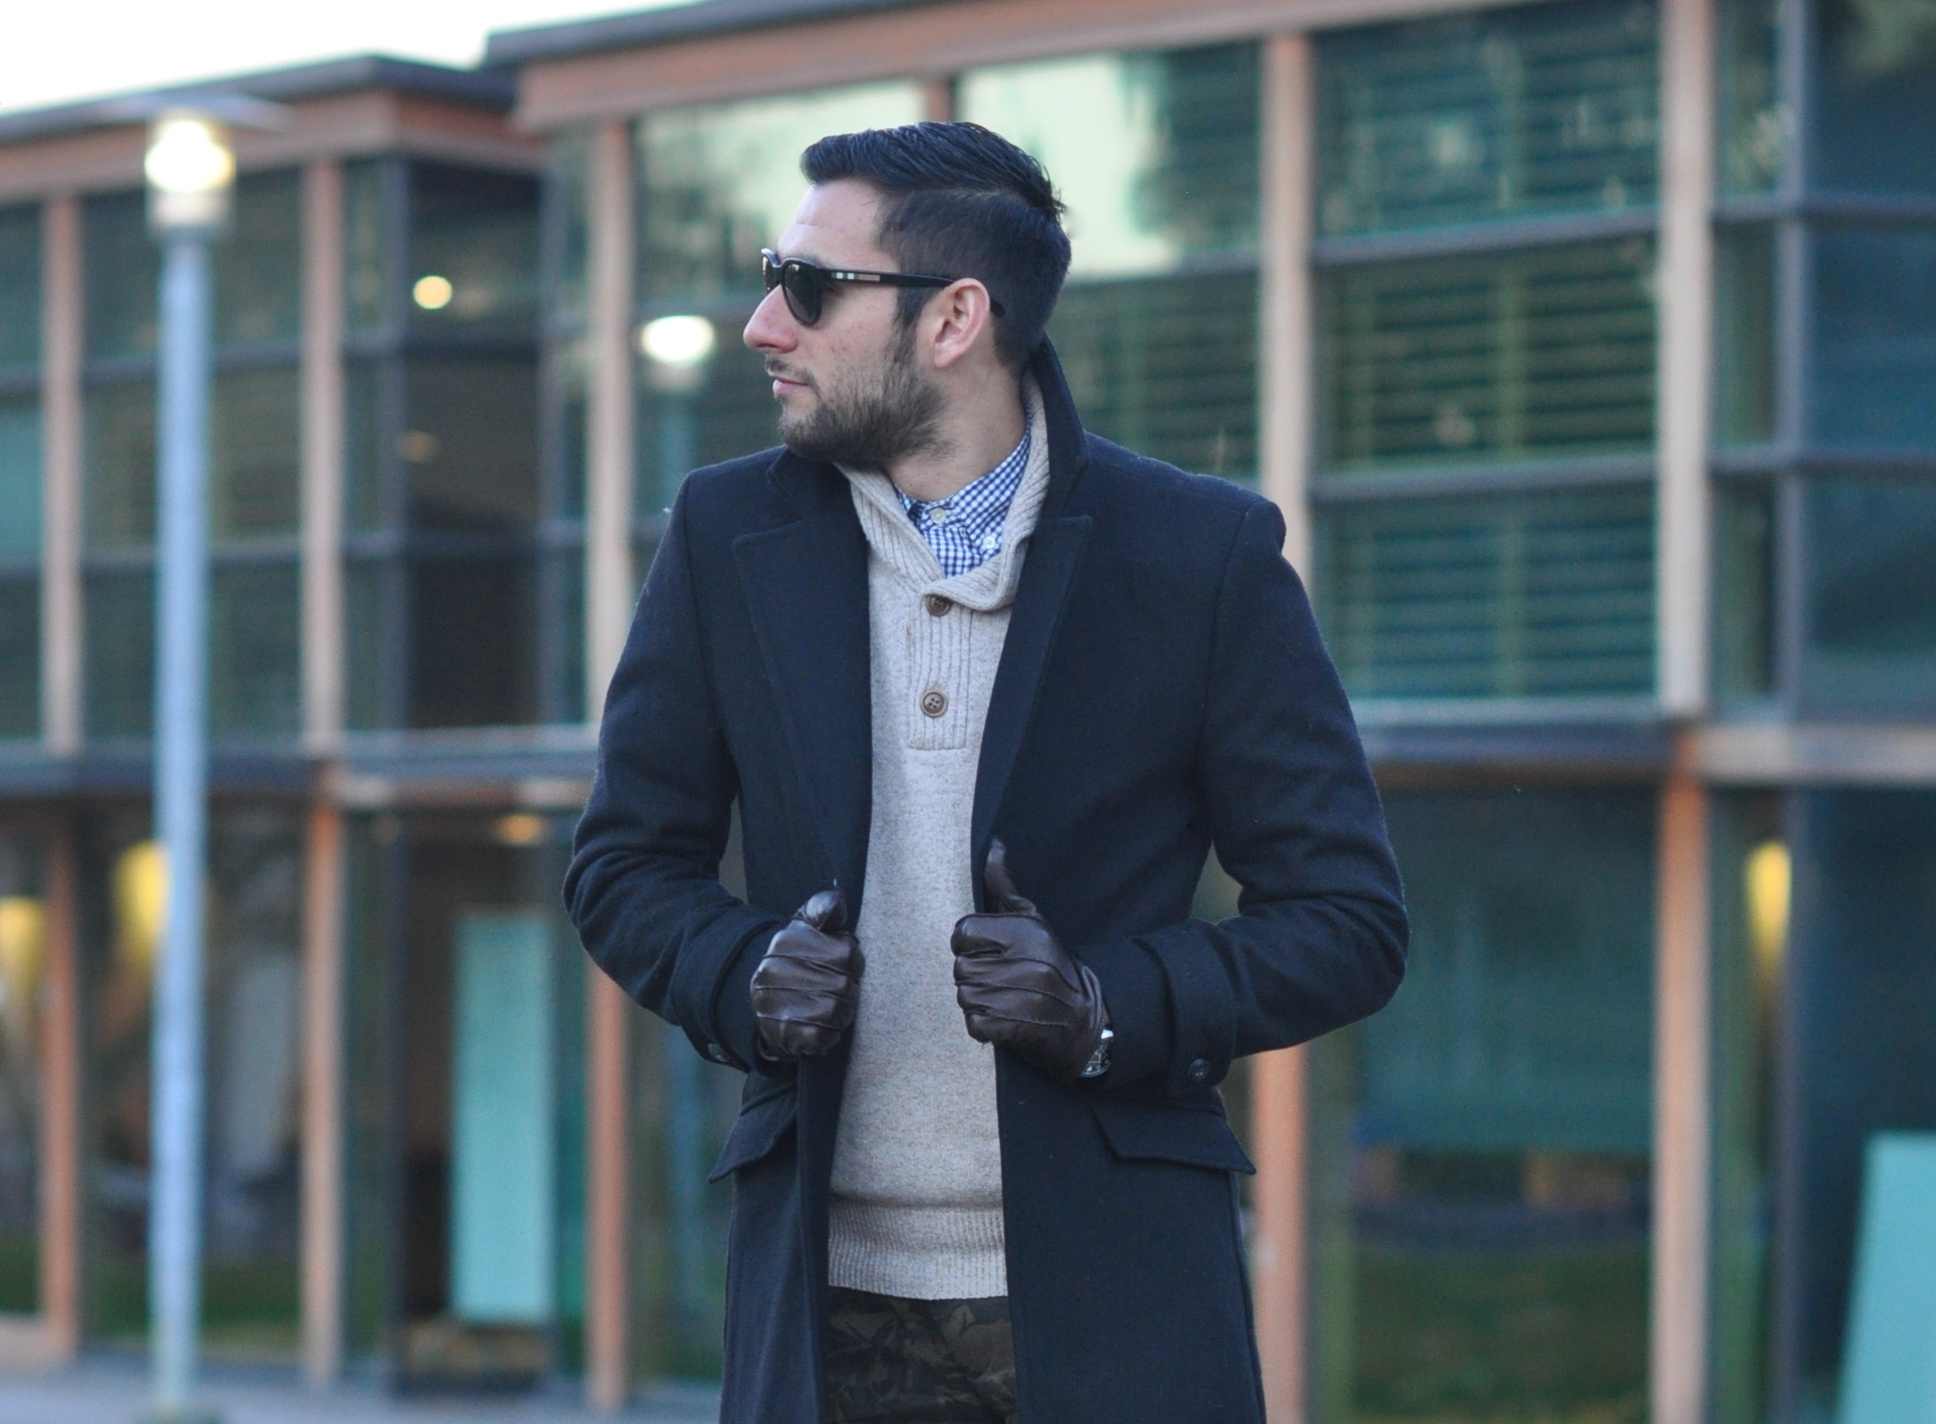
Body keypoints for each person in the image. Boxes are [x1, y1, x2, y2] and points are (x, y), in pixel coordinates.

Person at [565, 121, 1407, 1424]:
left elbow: (1349, 924)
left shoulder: (1202, 556)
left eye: (809, 287)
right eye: (772, 279)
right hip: (819, 1300)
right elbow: (622, 867)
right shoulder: (724, 535)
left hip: (1120, 1301)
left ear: (955, 318)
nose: (762, 326)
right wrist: (743, 975)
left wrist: (1101, 1003)